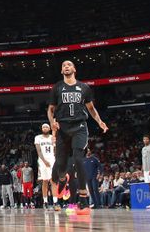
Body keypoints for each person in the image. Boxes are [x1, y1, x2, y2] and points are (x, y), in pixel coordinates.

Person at [47, 60, 109, 215]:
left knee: (78, 159)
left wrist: (100, 122)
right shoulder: (57, 88)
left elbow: (91, 109)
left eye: (69, 65)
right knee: (60, 165)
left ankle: (83, 198)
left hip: (79, 127)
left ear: (74, 69)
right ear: (62, 71)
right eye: (63, 65)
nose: (66, 66)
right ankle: (63, 179)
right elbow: (50, 110)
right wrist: (52, 122)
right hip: (62, 128)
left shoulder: (84, 87)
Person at [34, 123, 57, 210]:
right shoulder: (38, 137)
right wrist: (44, 161)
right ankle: (45, 202)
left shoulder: (52, 137)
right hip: (42, 161)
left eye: (46, 127)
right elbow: (38, 151)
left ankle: (55, 202)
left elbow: (55, 150)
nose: (45, 128)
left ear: (49, 128)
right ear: (41, 129)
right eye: (43, 127)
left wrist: (54, 160)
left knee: (53, 181)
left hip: (52, 160)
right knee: (45, 181)